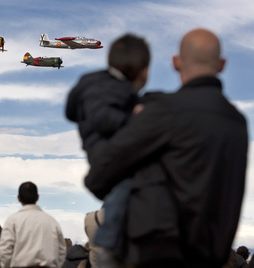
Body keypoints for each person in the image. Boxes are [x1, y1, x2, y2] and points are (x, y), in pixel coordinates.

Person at [85, 28, 248, 268]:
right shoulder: (237, 123)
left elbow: (99, 177)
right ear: (222, 64)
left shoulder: (162, 111)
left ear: (176, 63)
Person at [66, 33, 150, 253]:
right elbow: (103, 116)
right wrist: (133, 121)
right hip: (113, 156)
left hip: (96, 155)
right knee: (124, 190)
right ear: (140, 69)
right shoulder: (120, 89)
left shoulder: (88, 81)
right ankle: (108, 239)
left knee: (118, 193)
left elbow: (70, 111)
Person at [0, 181, 66, 267]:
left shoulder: (12, 220)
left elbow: (5, 251)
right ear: (37, 197)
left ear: (18, 198)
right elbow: (62, 250)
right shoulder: (51, 221)